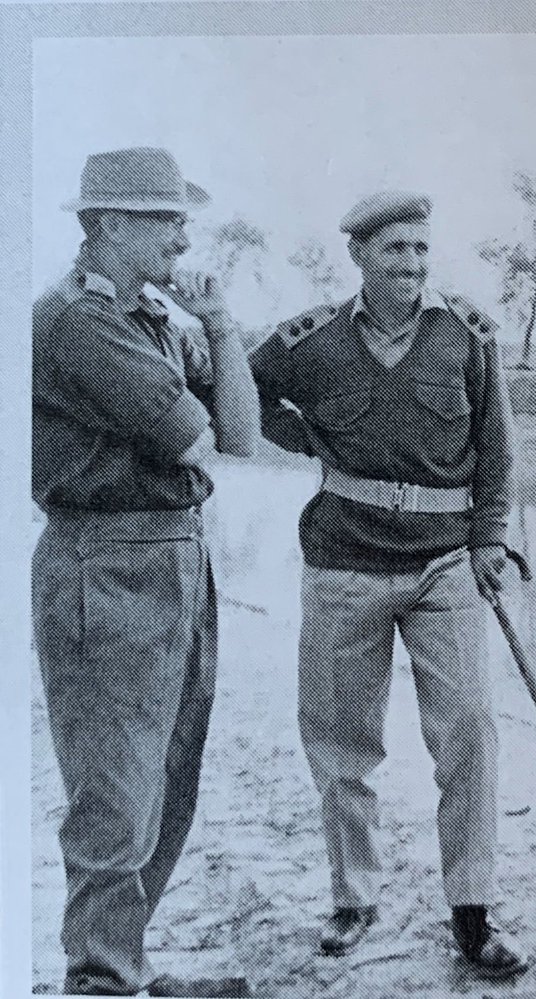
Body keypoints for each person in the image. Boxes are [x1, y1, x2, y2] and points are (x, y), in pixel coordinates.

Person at [248, 192, 527, 978]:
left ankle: (472, 911)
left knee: (469, 729)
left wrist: (491, 539)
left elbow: (499, 447)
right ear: (359, 256)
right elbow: (243, 389)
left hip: (446, 562)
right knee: (341, 741)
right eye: (395, 249)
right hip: (343, 561)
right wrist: (303, 436)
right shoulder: (312, 340)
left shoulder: (467, 335)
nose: (411, 263)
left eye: (420, 249)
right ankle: (353, 897)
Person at [32, 147, 260, 997]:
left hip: (171, 553)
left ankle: (124, 964)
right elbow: (196, 439)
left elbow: (240, 432)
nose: (183, 234)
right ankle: (98, 978)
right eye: (165, 218)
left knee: (168, 773)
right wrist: (203, 365)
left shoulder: (153, 317)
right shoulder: (75, 321)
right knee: (113, 791)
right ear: (108, 225)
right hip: (106, 558)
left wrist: (223, 325)